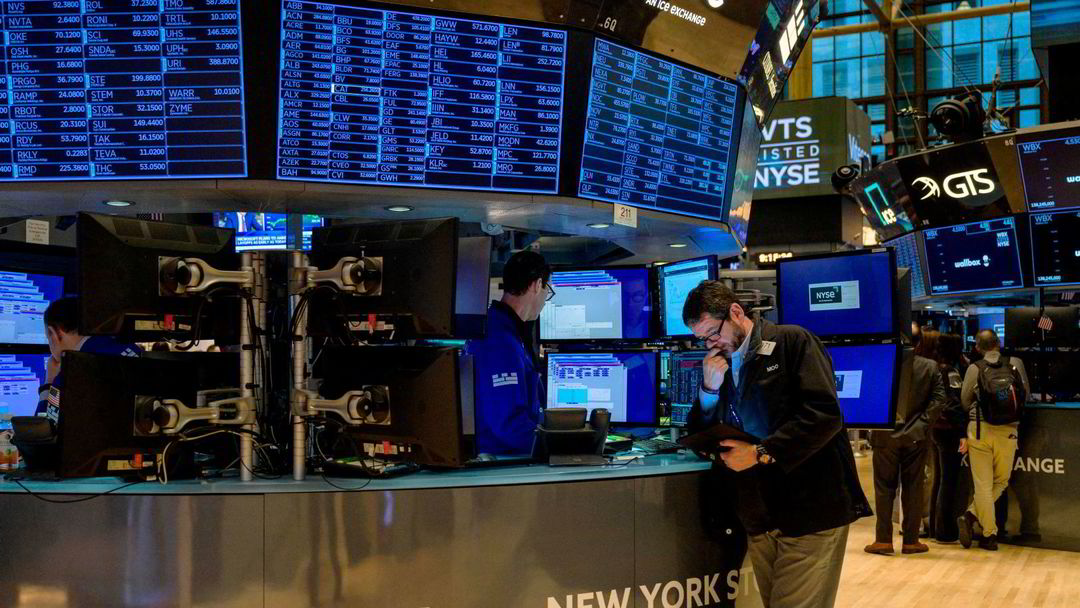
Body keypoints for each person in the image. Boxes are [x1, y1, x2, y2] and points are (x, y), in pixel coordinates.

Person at [683, 281, 870, 608]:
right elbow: (703, 432)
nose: (711, 344)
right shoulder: (719, 364)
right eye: (702, 339)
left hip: (809, 510)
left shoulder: (792, 342)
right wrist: (709, 389)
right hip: (759, 514)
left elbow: (824, 415)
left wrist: (761, 453)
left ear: (736, 312)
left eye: (713, 333)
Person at [864, 330, 946, 555]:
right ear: (919, 343)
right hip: (916, 438)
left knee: (883, 489)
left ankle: (883, 540)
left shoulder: (881, 363)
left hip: (884, 436)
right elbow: (939, 400)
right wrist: (920, 425)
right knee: (913, 487)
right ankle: (911, 541)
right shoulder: (930, 367)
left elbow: (870, 396)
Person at [465, 250, 551, 455]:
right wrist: (557, 446)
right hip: (501, 459)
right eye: (548, 290)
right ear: (537, 284)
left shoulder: (507, 331)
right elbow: (508, 424)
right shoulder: (499, 341)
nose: (545, 299)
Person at [958, 329, 1029, 551]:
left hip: (979, 430)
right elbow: (1025, 394)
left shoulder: (974, 368)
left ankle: (986, 531)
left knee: (982, 485)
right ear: (998, 343)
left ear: (977, 347)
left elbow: (964, 401)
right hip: (1008, 430)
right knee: (1002, 481)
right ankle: (974, 519)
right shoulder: (1015, 363)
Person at [36, 297, 143, 421]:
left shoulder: (72, 373)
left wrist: (49, 381)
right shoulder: (130, 347)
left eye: (48, 338)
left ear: (53, 333)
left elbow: (42, 427)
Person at [929, 333, 970, 542]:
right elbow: (953, 404)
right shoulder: (950, 372)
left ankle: (935, 528)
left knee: (939, 479)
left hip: (936, 428)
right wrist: (962, 432)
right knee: (948, 481)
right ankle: (945, 531)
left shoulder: (934, 368)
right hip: (949, 430)